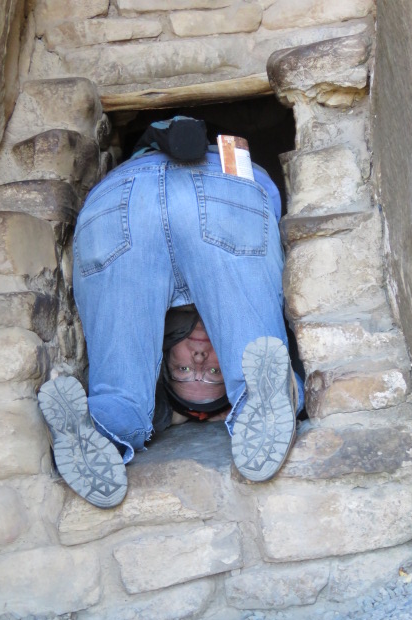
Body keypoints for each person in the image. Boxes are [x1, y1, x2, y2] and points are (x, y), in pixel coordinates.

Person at [38, 117, 304, 509]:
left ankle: (99, 425)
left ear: (163, 364)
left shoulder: (160, 338)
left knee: (121, 395)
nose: (198, 359)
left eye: (183, 370)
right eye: (213, 373)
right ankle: (258, 398)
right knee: (256, 354)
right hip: (214, 185)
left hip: (119, 201)